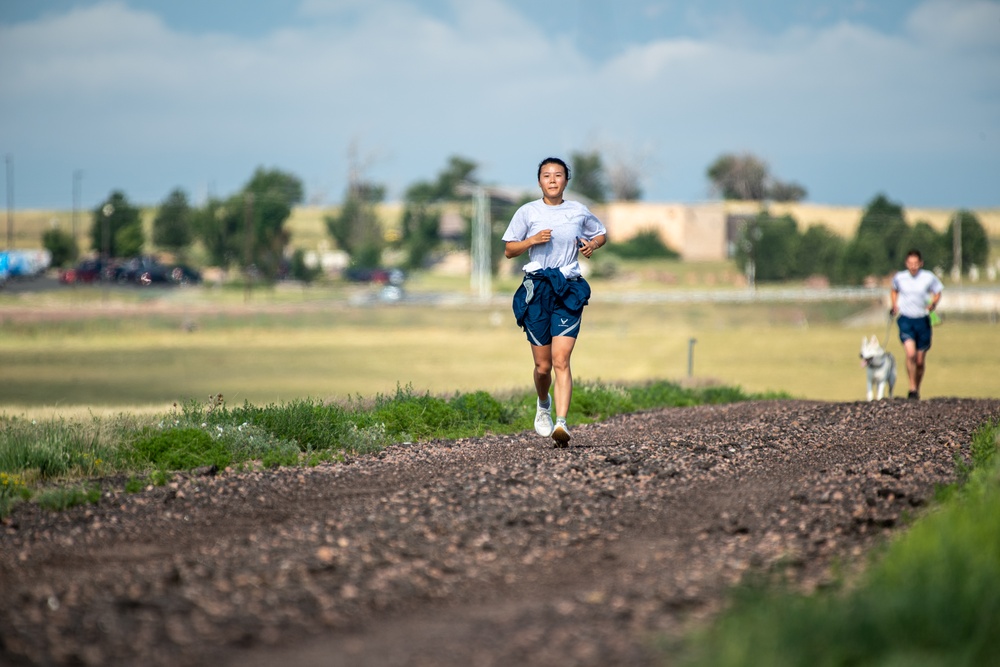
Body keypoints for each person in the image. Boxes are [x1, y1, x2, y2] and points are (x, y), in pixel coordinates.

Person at [502, 157, 608, 447]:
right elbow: (510, 250)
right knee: (543, 367)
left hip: (568, 288)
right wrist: (531, 240)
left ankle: (561, 424)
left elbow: (600, 233)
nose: (552, 180)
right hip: (537, 289)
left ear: (566, 180)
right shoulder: (527, 212)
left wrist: (592, 245)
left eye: (558, 175)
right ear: (539, 181)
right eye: (546, 175)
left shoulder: (578, 211)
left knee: (562, 360)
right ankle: (543, 402)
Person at [889, 249, 943, 400]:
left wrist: (933, 303)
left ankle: (917, 388)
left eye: (916, 263)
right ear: (906, 263)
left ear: (921, 263)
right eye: (910, 263)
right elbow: (894, 290)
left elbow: (937, 291)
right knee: (910, 354)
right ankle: (912, 387)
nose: (913, 266)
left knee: (919, 361)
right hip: (906, 319)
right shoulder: (900, 278)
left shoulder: (928, 277)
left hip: (922, 319)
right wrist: (894, 305)